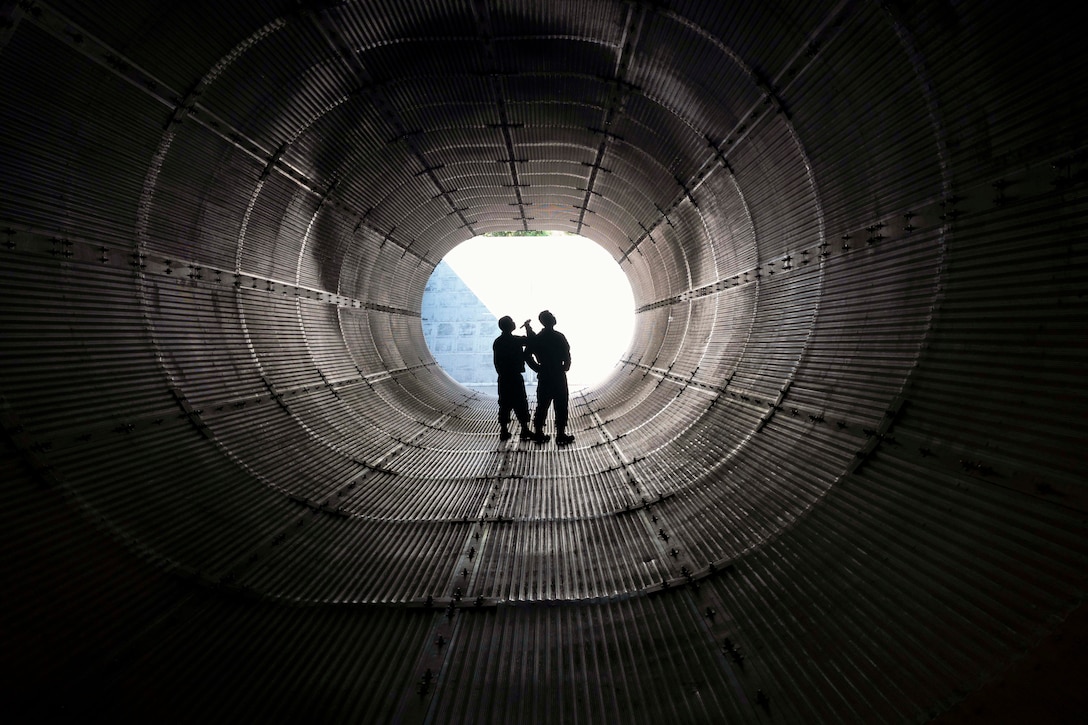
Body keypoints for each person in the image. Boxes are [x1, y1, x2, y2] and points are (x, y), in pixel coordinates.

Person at [526, 309, 574, 445]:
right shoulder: (559, 336)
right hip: (558, 373)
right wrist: (566, 365)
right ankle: (560, 434)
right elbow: (567, 353)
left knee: (543, 405)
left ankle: (539, 432)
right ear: (548, 320)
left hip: (546, 374)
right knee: (561, 404)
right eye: (551, 316)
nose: (554, 317)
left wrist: (537, 367)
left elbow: (527, 354)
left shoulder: (539, 338)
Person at [492, 315, 534, 441]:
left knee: (504, 403)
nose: (514, 323)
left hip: (504, 377)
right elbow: (531, 341)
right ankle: (524, 429)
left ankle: (504, 431)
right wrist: (528, 327)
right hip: (515, 376)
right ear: (509, 326)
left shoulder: (498, 341)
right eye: (511, 322)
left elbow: (496, 362)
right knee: (520, 402)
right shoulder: (515, 340)